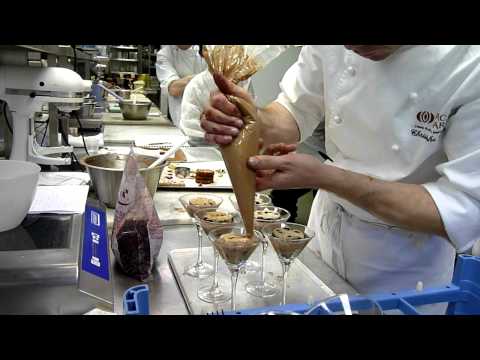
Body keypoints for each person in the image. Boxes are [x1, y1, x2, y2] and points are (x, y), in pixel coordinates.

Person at [201, 45, 480, 313]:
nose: (348, 47)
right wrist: (253, 121)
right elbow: (295, 109)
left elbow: (463, 207)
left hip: (402, 263)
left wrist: (327, 178)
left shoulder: (469, 62)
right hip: (323, 235)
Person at [180, 70, 255, 146]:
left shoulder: (245, 81)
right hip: (204, 152)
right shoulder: (196, 85)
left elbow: (254, 116)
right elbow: (191, 134)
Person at [155, 45, 207, 126]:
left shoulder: (206, 50)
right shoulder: (165, 54)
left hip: (208, 114)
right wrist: (207, 76)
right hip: (181, 117)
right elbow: (173, 88)